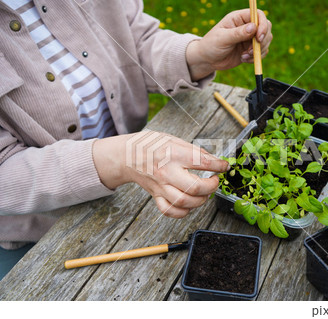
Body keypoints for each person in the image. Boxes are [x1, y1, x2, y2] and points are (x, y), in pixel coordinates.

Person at [0, 0, 272, 280]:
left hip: (137, 188)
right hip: (35, 234)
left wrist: (199, 55)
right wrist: (120, 158)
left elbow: (134, 39)